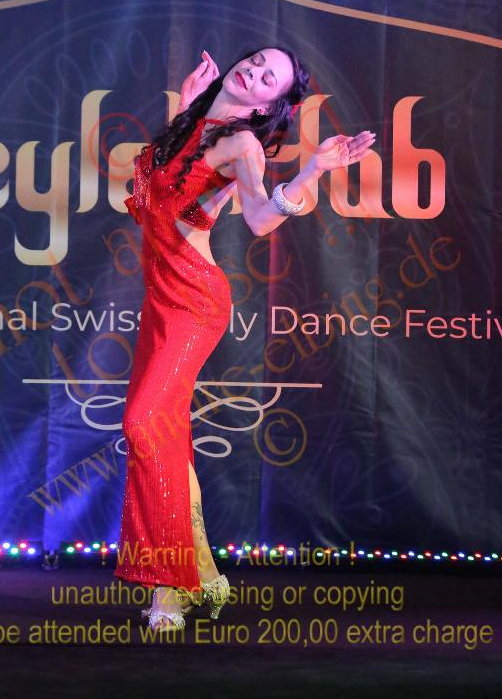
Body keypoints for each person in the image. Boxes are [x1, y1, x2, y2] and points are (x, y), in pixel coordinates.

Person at [114, 46, 376, 631]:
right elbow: (151, 201)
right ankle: (204, 576)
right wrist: (186, 106)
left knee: (144, 424)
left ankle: (170, 585)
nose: (253, 72)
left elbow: (259, 218)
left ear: (267, 105)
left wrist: (312, 172)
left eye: (268, 78)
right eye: (255, 61)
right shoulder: (191, 123)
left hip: (194, 300)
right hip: (159, 297)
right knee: (165, 436)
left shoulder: (242, 145)